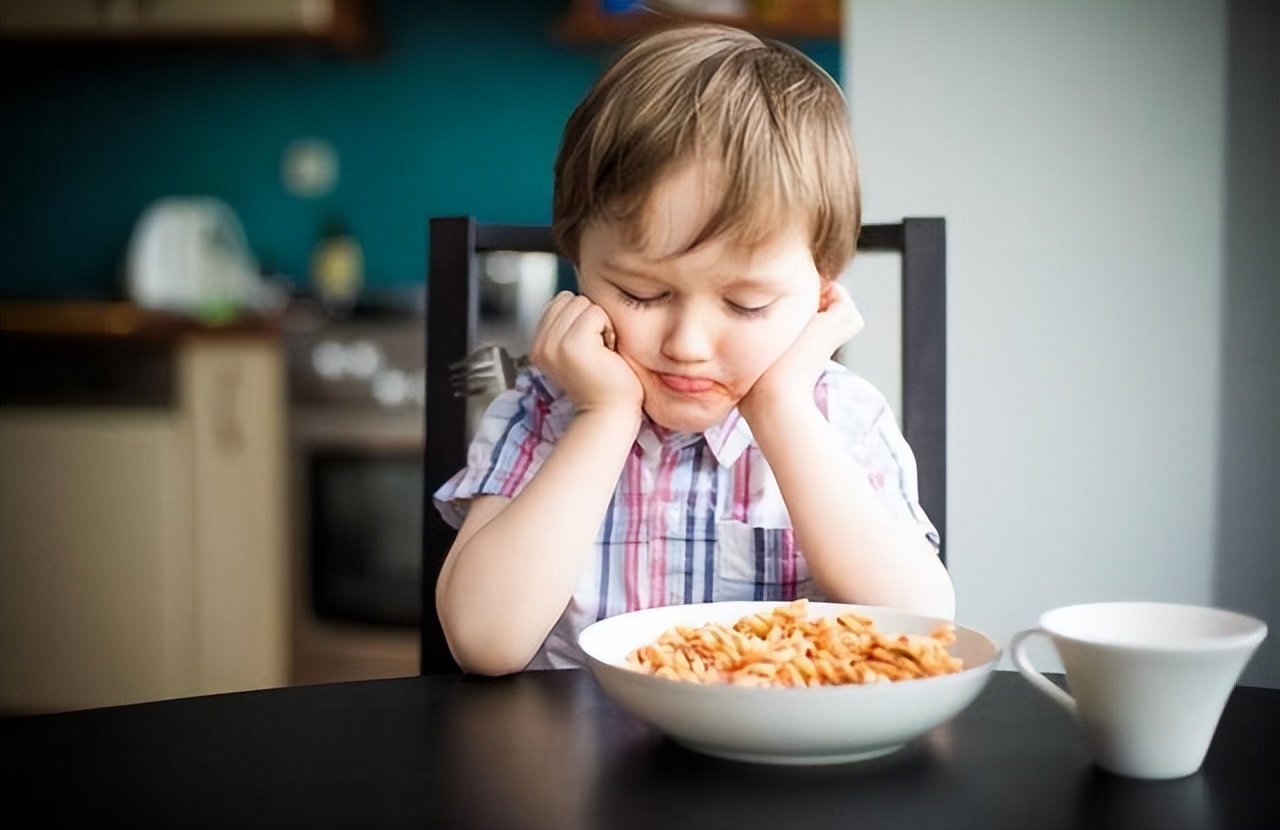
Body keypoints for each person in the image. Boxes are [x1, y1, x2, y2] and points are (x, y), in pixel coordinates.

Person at [434, 23, 954, 676]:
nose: (685, 344)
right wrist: (603, 416)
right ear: (578, 263)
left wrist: (782, 407)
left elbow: (923, 625)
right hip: (574, 761)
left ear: (823, 291)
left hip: (781, 762)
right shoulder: (542, 412)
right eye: (641, 292)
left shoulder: (842, 419)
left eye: (746, 305)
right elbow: (484, 642)